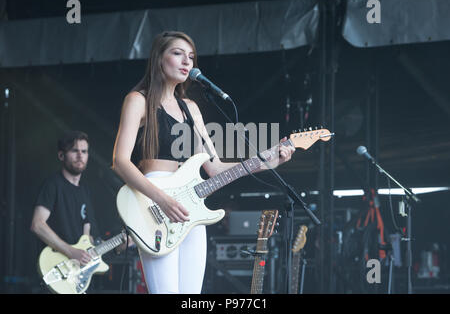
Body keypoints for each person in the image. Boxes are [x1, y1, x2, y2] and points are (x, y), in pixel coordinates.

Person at [112, 31, 295, 294]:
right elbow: (120, 161)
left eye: (191, 57)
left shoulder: (191, 108)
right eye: (177, 53)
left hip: (189, 208)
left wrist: (269, 160)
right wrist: (164, 200)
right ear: (158, 59)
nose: (187, 62)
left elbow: (215, 168)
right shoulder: (138, 100)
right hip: (153, 202)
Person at [31, 131, 97, 267]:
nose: (80, 155)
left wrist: (118, 245)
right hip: (55, 265)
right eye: (75, 150)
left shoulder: (85, 191)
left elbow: (87, 236)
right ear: (61, 155)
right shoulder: (52, 185)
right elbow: (37, 225)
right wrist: (71, 252)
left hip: (77, 270)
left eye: (84, 151)